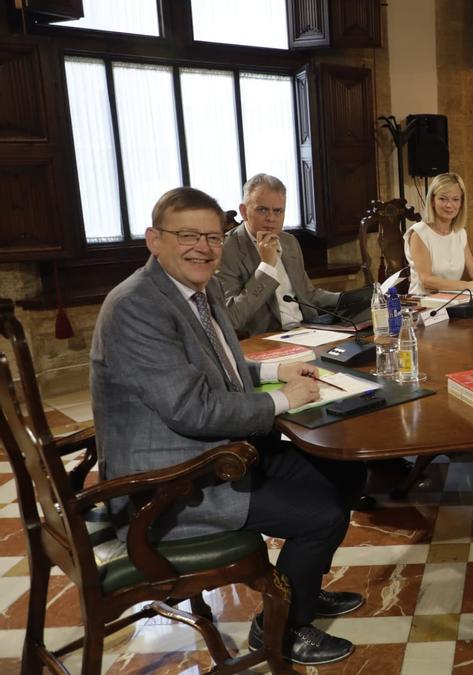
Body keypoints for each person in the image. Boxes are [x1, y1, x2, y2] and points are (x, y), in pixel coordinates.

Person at [92, 187, 364, 665]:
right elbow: (191, 409)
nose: (203, 247)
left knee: (345, 472)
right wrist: (283, 400)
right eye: (188, 235)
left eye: (214, 237)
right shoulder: (135, 306)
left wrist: (276, 372)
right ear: (154, 239)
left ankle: (302, 586)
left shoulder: (201, 286)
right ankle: (281, 629)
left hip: (221, 452)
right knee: (322, 513)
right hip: (173, 482)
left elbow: (222, 364)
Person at [215, 174, 344, 335]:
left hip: (308, 330)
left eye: (278, 211)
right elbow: (233, 317)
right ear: (243, 211)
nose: (271, 218)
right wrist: (266, 267)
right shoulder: (225, 250)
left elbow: (307, 295)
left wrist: (348, 299)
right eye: (262, 210)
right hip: (265, 340)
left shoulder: (289, 241)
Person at [405, 172, 473, 295]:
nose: (449, 205)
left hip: (454, 300)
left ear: (461, 203)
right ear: (433, 200)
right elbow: (426, 280)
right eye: (443, 199)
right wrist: (466, 285)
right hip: (423, 304)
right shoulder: (419, 233)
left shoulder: (460, 233)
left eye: (455, 199)